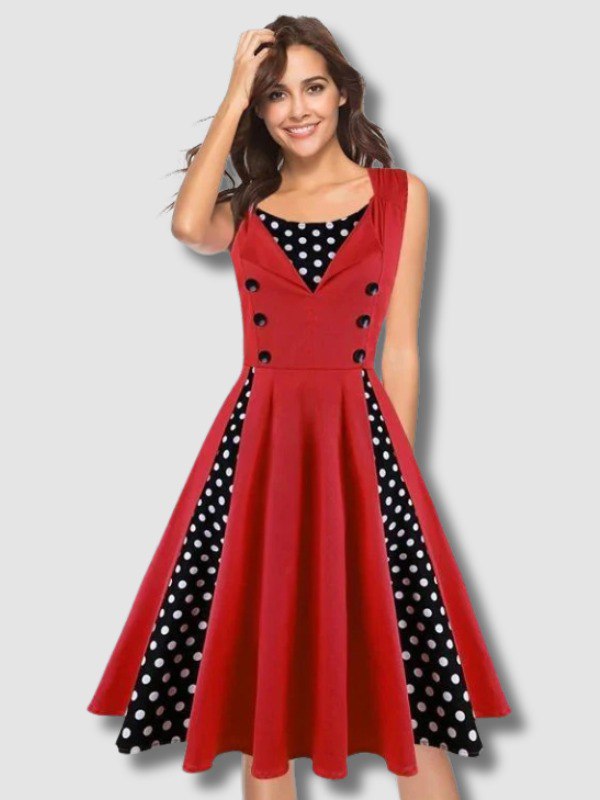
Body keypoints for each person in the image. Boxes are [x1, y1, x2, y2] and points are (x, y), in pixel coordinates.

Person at [88, 15, 511, 800]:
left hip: (363, 445)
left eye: (313, 87)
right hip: (261, 448)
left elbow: (402, 351)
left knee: (412, 698)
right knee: (265, 690)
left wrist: (395, 480)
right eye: (275, 95)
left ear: (344, 93)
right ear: (258, 109)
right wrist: (231, 95)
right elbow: (188, 226)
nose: (297, 109)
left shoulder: (399, 197)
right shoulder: (247, 208)